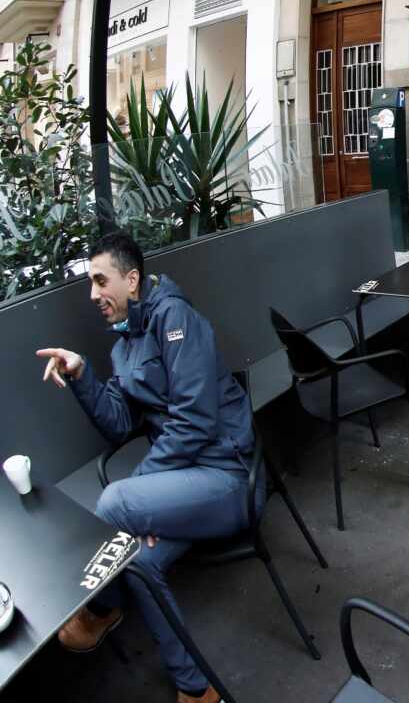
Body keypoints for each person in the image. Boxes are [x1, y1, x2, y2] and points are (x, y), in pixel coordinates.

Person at [35, 232, 257, 703]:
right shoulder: (124, 345)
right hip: (185, 485)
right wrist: (80, 375)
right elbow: (119, 423)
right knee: (139, 559)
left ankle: (99, 608)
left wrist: (138, 502)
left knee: (115, 501)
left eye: (100, 281)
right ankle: (196, 689)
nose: (93, 295)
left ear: (132, 279)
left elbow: (196, 422)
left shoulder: (176, 319)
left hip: (229, 478)